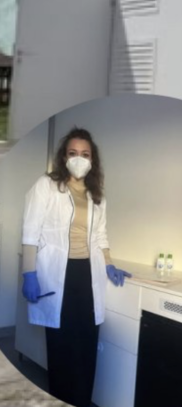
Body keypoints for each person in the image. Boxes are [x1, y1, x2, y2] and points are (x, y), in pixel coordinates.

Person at [20, 127, 132, 407]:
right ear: (64, 157)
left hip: (88, 275)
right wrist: (29, 273)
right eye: (73, 153)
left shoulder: (97, 195)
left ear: (92, 159)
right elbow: (31, 230)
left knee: (86, 343)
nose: (79, 159)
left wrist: (109, 264)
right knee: (61, 346)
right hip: (57, 274)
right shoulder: (47, 185)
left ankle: (82, 400)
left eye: (85, 154)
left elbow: (101, 235)